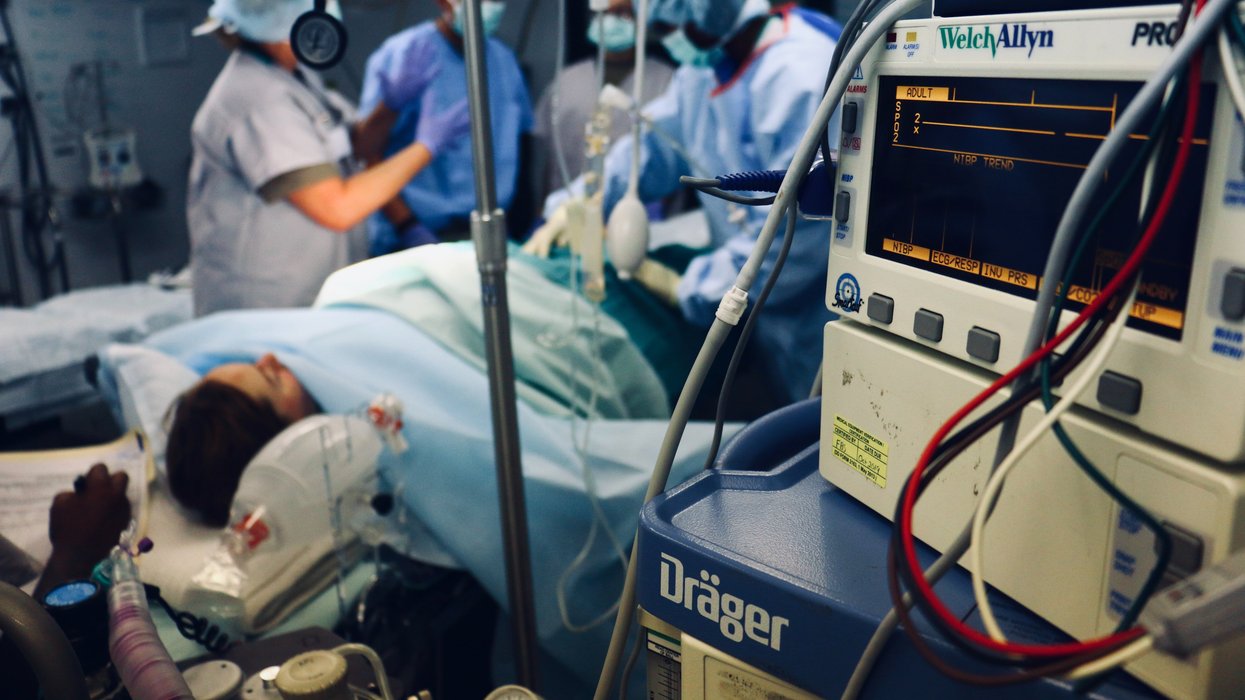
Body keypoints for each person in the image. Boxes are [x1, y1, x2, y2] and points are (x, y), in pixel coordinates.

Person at [527, 0, 842, 406]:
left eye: (665, 24)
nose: (664, 37)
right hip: (769, 321)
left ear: (704, 12)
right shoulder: (702, 70)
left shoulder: (800, 76)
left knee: (832, 433)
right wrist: (588, 201)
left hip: (819, 314)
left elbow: (800, 242)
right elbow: (654, 147)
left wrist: (688, 287)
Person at [187, 0, 472, 316]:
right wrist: (427, 146)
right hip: (267, 306)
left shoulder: (294, 76)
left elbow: (355, 149)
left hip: (308, 293)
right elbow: (337, 207)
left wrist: (389, 107)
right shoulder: (259, 98)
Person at [358, 0, 533, 254]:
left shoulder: (504, 61)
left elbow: (523, 143)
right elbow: (365, 155)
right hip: (414, 235)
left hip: (490, 233)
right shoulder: (404, 54)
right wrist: (408, 227)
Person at [532, 0, 675, 199]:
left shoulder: (666, 81)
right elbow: (550, 159)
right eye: (605, 13)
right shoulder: (566, 82)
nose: (611, 20)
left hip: (645, 207)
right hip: (573, 204)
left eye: (622, 12)